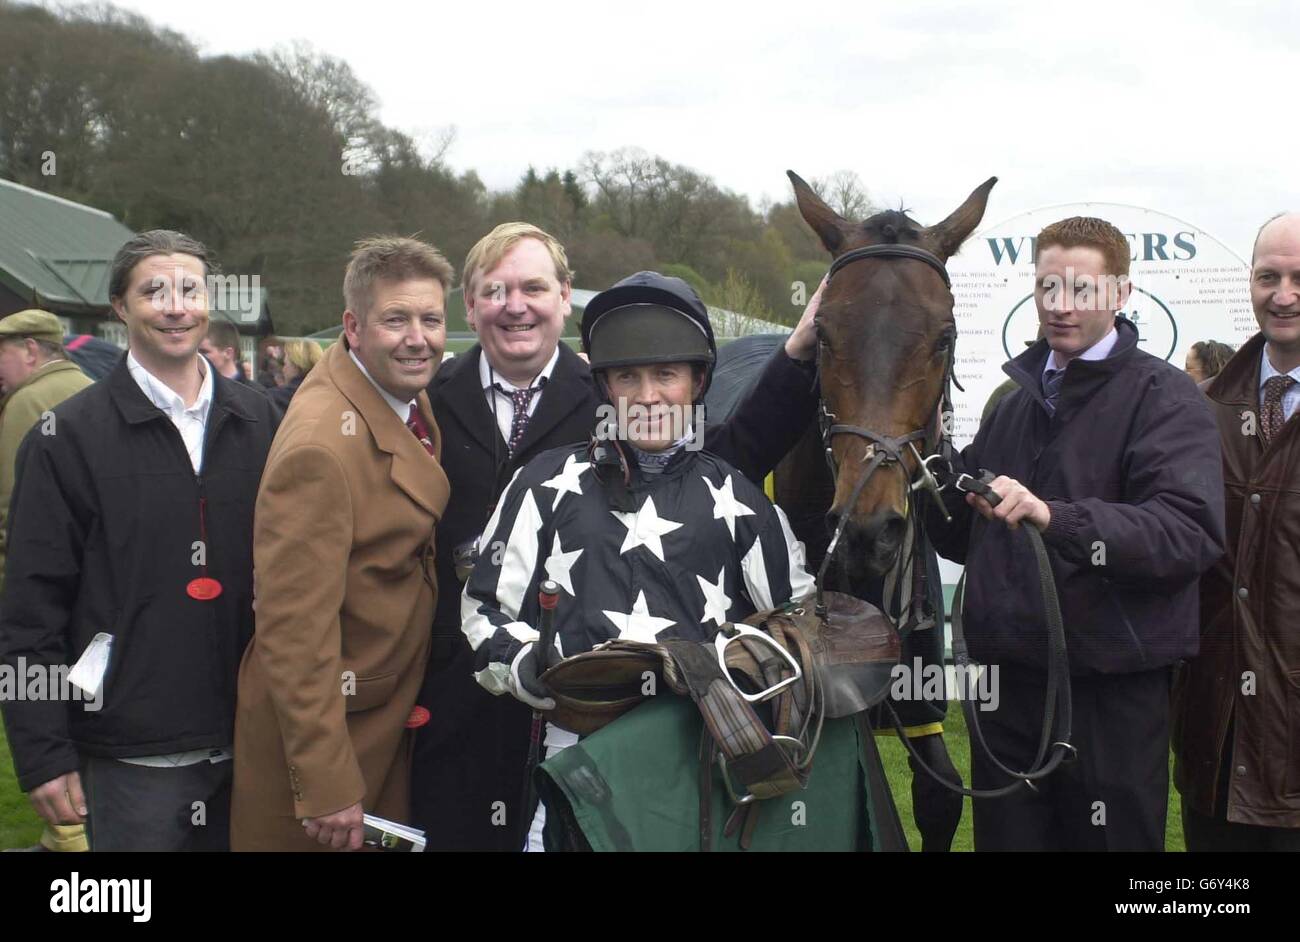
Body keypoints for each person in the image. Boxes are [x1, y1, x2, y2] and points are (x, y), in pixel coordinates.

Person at [410, 223, 822, 851]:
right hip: (577, 766)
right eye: (628, 378)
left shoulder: (740, 501)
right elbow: (485, 607)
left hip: (704, 765)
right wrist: (536, 668)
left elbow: (798, 622)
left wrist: (735, 671)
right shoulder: (545, 484)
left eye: (667, 375)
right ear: (604, 388)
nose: (649, 396)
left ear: (698, 384)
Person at [924, 216, 1225, 851]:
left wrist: (1056, 517)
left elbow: (1186, 534)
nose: (1060, 306)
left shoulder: (1165, 398)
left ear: (1120, 293)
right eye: (1047, 287)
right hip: (1007, 694)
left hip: (1111, 697)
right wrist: (924, 475)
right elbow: (963, 541)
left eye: (1081, 289)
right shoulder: (1014, 402)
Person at [0, 230, 280, 851]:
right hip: (133, 756)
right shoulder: (65, 437)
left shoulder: (262, 420)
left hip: (254, 742)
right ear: (120, 308)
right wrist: (43, 751)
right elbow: (29, 608)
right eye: (154, 291)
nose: (175, 306)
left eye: (189, 289)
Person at [230, 236, 452, 851]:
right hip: (332, 736)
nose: (419, 338)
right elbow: (293, 630)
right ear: (353, 327)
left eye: (432, 319)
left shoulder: (394, 392)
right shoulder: (321, 448)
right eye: (396, 320)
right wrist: (325, 782)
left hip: (378, 711)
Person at [1172, 212, 1300, 850]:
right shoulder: (1201, 413)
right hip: (1213, 740)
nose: (1283, 294)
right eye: (1268, 276)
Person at [0, 309, 93, 854]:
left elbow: (11, 515)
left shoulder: (25, 407)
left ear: (31, 351)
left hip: (45, 589)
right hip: (98, 598)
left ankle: (70, 839)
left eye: (3, 355)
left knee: (45, 703)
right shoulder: (86, 387)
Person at [199, 318, 259, 388]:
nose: (198, 356)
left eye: (204, 352)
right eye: (195, 352)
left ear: (228, 353)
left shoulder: (256, 394)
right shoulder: (196, 390)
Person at [267, 339, 323, 414]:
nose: (283, 370)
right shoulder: (331, 394)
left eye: (285, 364)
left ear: (296, 364)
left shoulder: (275, 398)